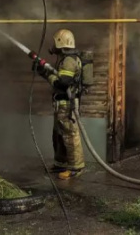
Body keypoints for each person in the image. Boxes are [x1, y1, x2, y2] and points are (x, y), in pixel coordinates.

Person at [32, 29, 85, 179]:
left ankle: (76, 167)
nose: (53, 45)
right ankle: (61, 163)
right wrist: (43, 71)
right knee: (58, 134)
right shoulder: (64, 59)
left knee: (70, 135)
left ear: (61, 43)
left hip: (67, 105)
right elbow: (57, 77)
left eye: (55, 42)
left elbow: (62, 83)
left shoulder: (69, 61)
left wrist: (46, 75)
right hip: (60, 104)